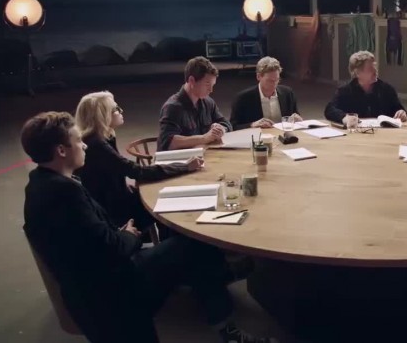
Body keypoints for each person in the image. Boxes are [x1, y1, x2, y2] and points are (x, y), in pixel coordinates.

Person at [21, 112, 270, 343]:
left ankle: (214, 279)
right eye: (78, 141)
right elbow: (112, 249)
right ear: (61, 150)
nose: (84, 145)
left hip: (93, 283)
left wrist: (118, 234)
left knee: (190, 251)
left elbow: (90, 239)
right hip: (111, 289)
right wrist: (129, 235)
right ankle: (226, 322)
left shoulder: (40, 183)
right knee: (195, 246)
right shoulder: (64, 194)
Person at [74, 90, 202, 234]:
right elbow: (136, 171)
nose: (121, 111)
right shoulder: (97, 145)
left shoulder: (101, 138)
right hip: (114, 211)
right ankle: (172, 242)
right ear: (103, 116)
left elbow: (115, 172)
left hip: (114, 199)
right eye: (116, 109)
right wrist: (184, 166)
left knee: (162, 193)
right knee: (167, 204)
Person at [158, 56, 231, 151]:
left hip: (201, 155)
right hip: (179, 159)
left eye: (213, 85)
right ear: (192, 81)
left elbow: (226, 123)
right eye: (207, 84)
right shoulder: (172, 107)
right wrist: (204, 138)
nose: (211, 90)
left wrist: (220, 129)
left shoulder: (208, 102)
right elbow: (168, 142)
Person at [324, 51, 407, 124]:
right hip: (356, 134)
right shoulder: (345, 91)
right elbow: (330, 110)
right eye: (370, 68)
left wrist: (402, 113)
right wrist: (344, 117)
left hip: (384, 134)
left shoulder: (386, 89)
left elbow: (399, 109)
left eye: (375, 66)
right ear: (357, 73)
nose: (375, 70)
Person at [230, 56, 302, 130]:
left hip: (284, 135)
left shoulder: (288, 94)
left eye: (277, 80)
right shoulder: (243, 98)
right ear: (258, 76)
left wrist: (297, 119)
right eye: (270, 81)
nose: (274, 84)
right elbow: (233, 126)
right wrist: (252, 125)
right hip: (259, 136)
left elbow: (295, 116)